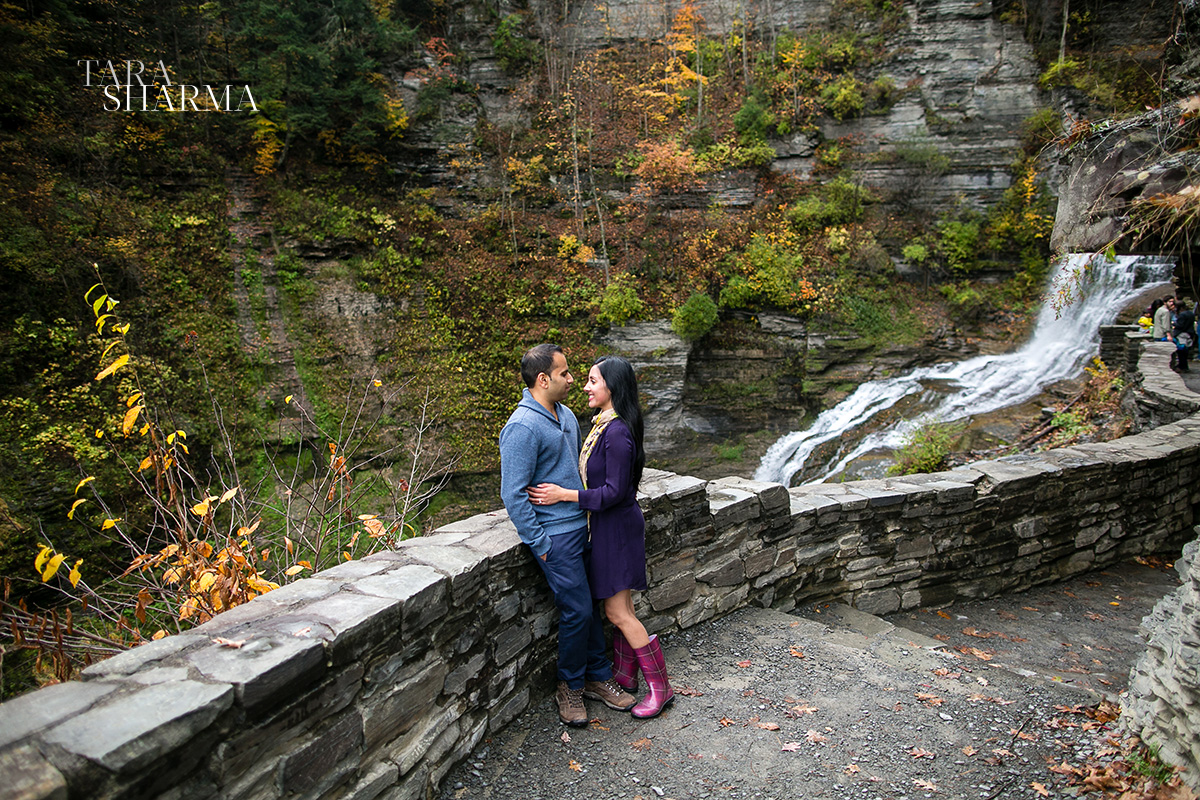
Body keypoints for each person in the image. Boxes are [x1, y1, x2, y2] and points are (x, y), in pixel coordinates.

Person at [527, 355, 674, 719]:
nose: (585, 386)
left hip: (616, 529)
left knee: (618, 612)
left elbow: (612, 492)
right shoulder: (603, 426)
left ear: (612, 387)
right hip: (605, 528)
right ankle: (625, 674)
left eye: (593, 381)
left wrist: (565, 495)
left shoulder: (618, 432)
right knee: (620, 609)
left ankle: (661, 688)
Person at [499, 344, 635, 727]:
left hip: (584, 527)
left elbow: (578, 470)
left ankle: (597, 677)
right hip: (554, 538)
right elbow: (512, 493)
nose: (573, 379)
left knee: (591, 606)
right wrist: (540, 544)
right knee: (576, 610)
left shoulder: (567, 417)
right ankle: (570, 686)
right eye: (564, 373)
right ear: (543, 380)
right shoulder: (522, 428)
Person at [1175, 297, 1195, 373]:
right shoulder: (1190, 313)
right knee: (1186, 351)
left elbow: (1180, 325)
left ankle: (1182, 366)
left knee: (1181, 351)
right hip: (1189, 333)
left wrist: (1174, 324)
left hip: (1182, 334)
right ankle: (1185, 366)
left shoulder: (1182, 315)